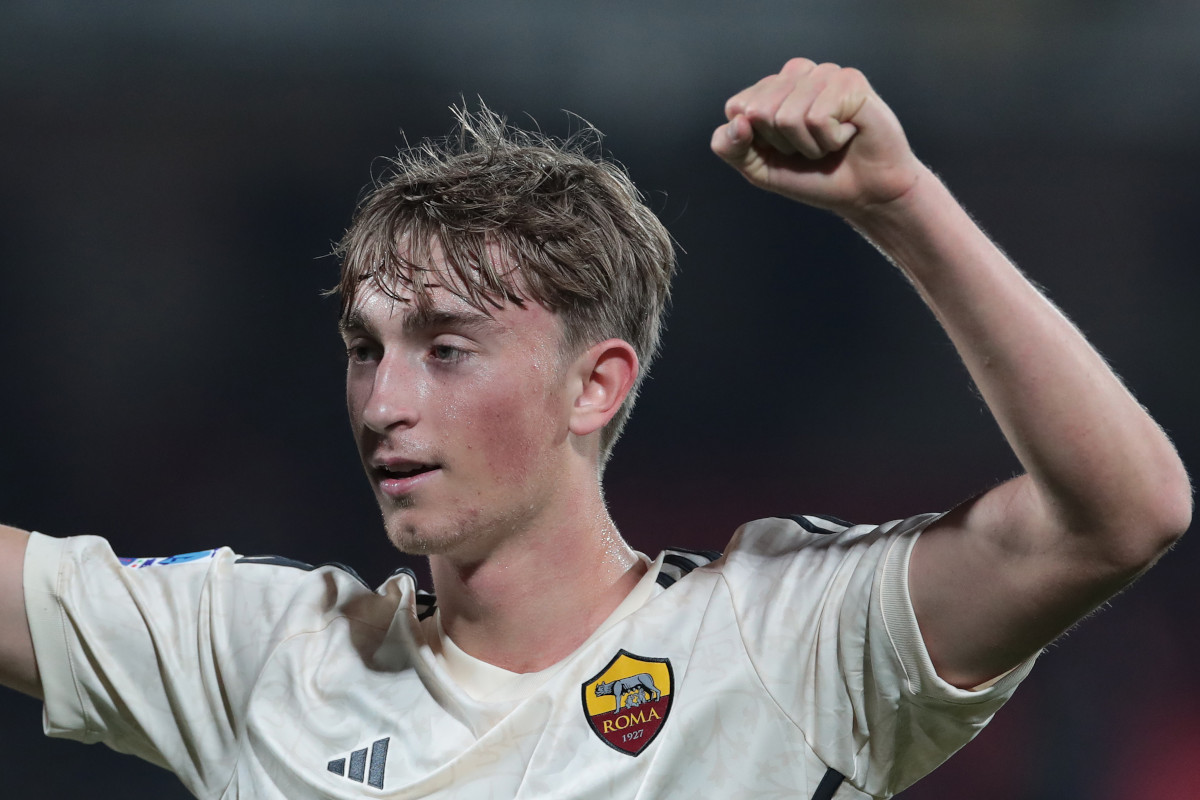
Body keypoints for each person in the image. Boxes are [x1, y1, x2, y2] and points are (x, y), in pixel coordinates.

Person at [0, 58, 1189, 799]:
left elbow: (1124, 513)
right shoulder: (261, 653)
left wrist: (905, 208)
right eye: (367, 347)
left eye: (447, 347)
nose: (384, 400)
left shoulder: (778, 639)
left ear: (596, 385)